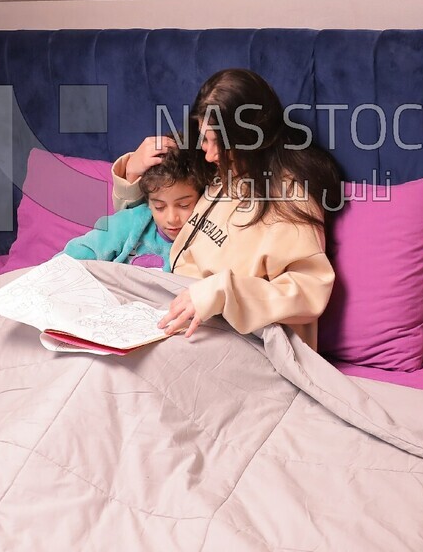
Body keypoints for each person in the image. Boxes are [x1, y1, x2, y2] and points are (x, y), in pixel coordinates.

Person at [113, 68, 342, 349]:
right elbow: (141, 222)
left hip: (239, 336)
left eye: (219, 144)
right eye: (204, 139)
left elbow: (309, 291)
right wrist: (132, 171)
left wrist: (223, 291)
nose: (208, 154)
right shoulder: (216, 168)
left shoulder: (291, 198)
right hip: (176, 309)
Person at [63, 148, 209, 270]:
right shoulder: (131, 221)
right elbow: (81, 250)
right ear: (149, 202)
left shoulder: (204, 242)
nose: (172, 218)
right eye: (159, 207)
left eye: (184, 205)